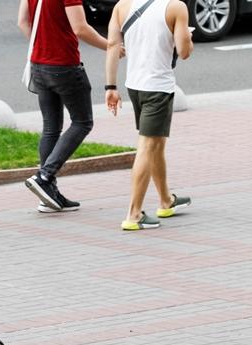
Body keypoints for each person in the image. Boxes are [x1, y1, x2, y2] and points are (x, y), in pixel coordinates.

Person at [105, 0, 193, 230]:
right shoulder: (176, 7)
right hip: (158, 88)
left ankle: (166, 200)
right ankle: (133, 214)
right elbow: (184, 52)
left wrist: (110, 87)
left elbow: (112, 45)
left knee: (157, 144)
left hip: (134, 86)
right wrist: (187, 37)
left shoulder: (122, 6)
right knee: (147, 146)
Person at [18, 0, 108, 213]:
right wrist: (110, 45)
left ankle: (47, 194)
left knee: (51, 128)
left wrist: (42, 46)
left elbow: (23, 22)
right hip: (64, 66)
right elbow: (80, 28)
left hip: (39, 65)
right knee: (82, 122)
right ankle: (44, 176)